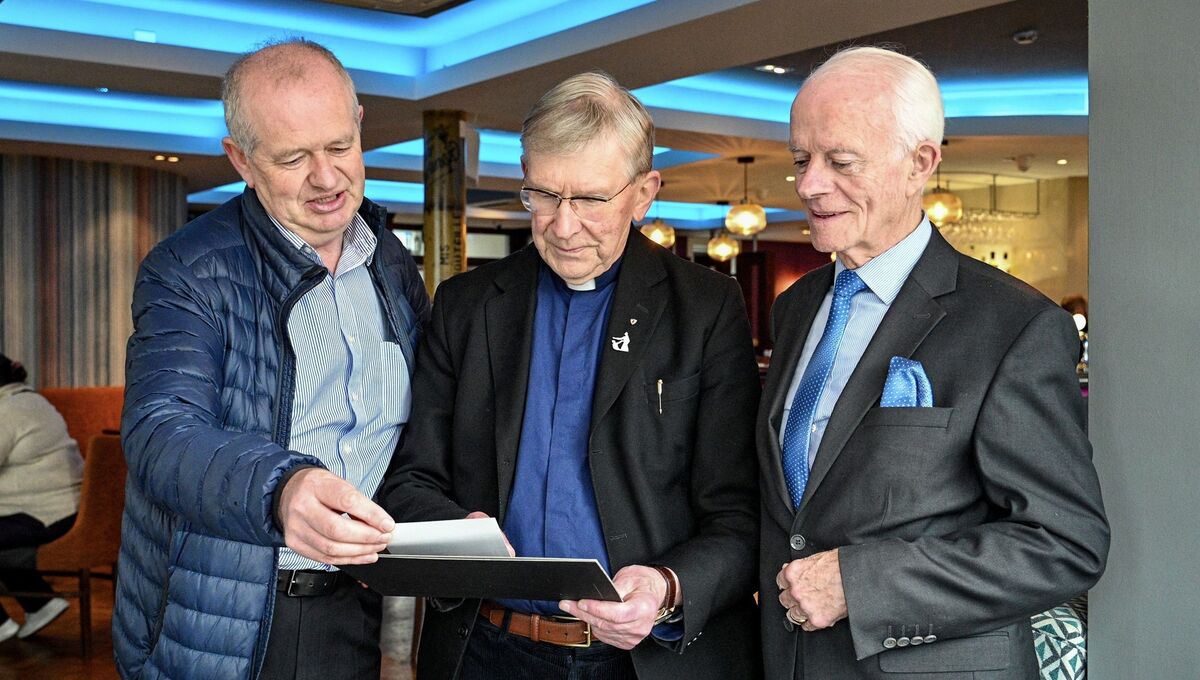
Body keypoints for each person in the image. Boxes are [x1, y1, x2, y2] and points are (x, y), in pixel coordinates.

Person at [379, 71, 762, 680]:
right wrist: (451, 531)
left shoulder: (707, 309)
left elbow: (741, 513)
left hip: (646, 661)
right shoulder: (466, 305)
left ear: (644, 193)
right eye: (544, 195)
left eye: (588, 199)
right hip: (484, 648)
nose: (562, 224)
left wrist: (667, 587)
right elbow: (410, 478)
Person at [759, 47, 1109, 679]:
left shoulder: (1015, 325)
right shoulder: (796, 308)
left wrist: (861, 585)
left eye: (840, 161)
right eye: (802, 160)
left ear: (920, 163)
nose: (809, 185)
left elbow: (1064, 544)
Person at [113, 39, 429, 679]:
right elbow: (159, 430)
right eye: (292, 157)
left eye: (340, 146)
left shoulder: (390, 262)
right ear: (241, 161)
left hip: (357, 604)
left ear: (360, 123)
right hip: (217, 620)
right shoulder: (188, 269)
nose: (326, 177)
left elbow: (407, 427)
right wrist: (281, 489)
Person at [0, 354, 81, 642]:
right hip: (63, 508)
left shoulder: (7, 410)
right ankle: (40, 603)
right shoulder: (32, 401)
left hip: (42, 515)